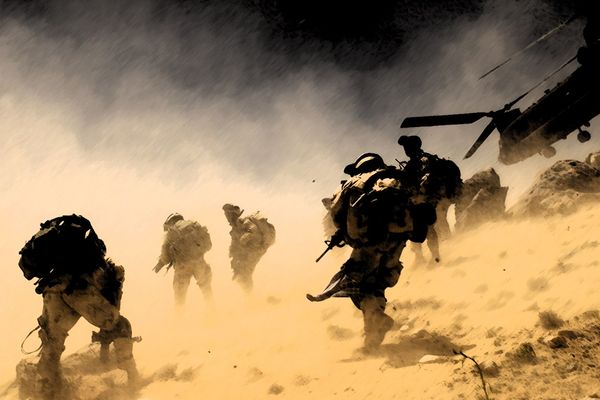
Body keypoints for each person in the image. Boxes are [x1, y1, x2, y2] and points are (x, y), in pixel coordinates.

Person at [308, 153, 436, 350]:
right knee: (378, 284)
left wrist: (344, 233)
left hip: (369, 242)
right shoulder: (398, 179)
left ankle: (376, 320)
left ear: (360, 168)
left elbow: (336, 214)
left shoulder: (354, 182)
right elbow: (421, 206)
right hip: (399, 240)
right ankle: (372, 336)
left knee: (356, 283)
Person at [18, 214, 138, 399]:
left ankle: (47, 394)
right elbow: (113, 307)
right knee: (120, 325)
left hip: (52, 289)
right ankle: (133, 381)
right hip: (79, 289)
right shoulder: (104, 268)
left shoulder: (59, 252)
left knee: (51, 348)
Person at [397, 135, 462, 264]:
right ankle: (424, 257)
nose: (406, 150)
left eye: (407, 146)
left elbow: (425, 180)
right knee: (421, 227)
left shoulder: (424, 160)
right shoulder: (417, 162)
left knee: (430, 226)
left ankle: (440, 253)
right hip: (425, 200)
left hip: (431, 199)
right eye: (405, 147)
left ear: (414, 147)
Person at [153, 213, 213, 307]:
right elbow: (208, 244)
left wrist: (159, 265)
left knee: (180, 296)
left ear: (171, 221)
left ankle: (180, 315)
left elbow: (166, 254)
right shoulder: (194, 225)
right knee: (207, 291)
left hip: (182, 266)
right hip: (199, 262)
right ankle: (213, 310)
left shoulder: (173, 230)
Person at [223, 204, 276, 293]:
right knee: (241, 271)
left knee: (245, 271)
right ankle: (246, 292)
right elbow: (234, 245)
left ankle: (248, 295)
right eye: (226, 214)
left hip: (257, 247)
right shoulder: (234, 228)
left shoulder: (242, 220)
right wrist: (233, 256)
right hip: (252, 248)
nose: (227, 217)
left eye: (228, 214)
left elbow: (253, 229)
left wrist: (244, 238)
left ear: (233, 214)